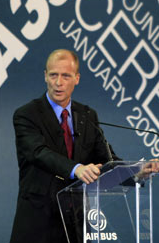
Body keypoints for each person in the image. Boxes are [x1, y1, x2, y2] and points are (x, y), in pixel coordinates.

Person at [10, 49, 120, 243]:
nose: (58, 82)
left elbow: (107, 158)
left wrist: (137, 171)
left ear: (76, 78)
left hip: (75, 225)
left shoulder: (87, 115)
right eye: (53, 75)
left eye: (66, 76)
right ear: (45, 76)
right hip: (38, 225)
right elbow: (38, 153)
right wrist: (76, 169)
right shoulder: (27, 114)